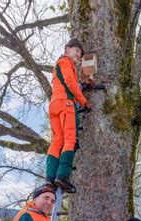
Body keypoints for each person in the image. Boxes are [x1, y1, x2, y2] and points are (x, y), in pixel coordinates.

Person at [45, 37, 91, 193]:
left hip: (54, 105)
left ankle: (50, 178)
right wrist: (84, 102)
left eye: (80, 53)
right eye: (77, 51)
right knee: (70, 139)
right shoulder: (65, 62)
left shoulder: (59, 65)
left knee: (57, 141)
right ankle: (62, 175)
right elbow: (71, 84)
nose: (78, 55)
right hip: (66, 104)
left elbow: (69, 83)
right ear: (67, 49)